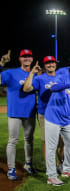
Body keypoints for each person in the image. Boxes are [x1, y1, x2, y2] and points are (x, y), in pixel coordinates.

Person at [44, 59, 70, 185]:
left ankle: (67, 169)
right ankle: (51, 176)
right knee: (51, 148)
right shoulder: (62, 77)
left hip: (68, 119)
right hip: (53, 118)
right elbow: (53, 87)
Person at [0, 49, 37, 180]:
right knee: (12, 141)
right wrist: (2, 63)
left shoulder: (35, 74)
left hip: (30, 113)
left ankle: (28, 164)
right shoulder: (10, 73)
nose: (27, 58)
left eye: (29, 56)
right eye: (24, 56)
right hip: (14, 113)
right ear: (20, 59)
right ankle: (11, 169)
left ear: (32, 59)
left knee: (29, 140)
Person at [23, 56, 58, 160]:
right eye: (48, 63)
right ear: (44, 66)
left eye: (52, 62)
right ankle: (49, 167)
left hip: (59, 113)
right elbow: (26, 88)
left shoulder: (61, 75)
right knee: (46, 140)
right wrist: (32, 73)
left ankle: (60, 164)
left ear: (55, 64)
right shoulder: (40, 78)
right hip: (45, 113)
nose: (50, 65)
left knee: (61, 141)